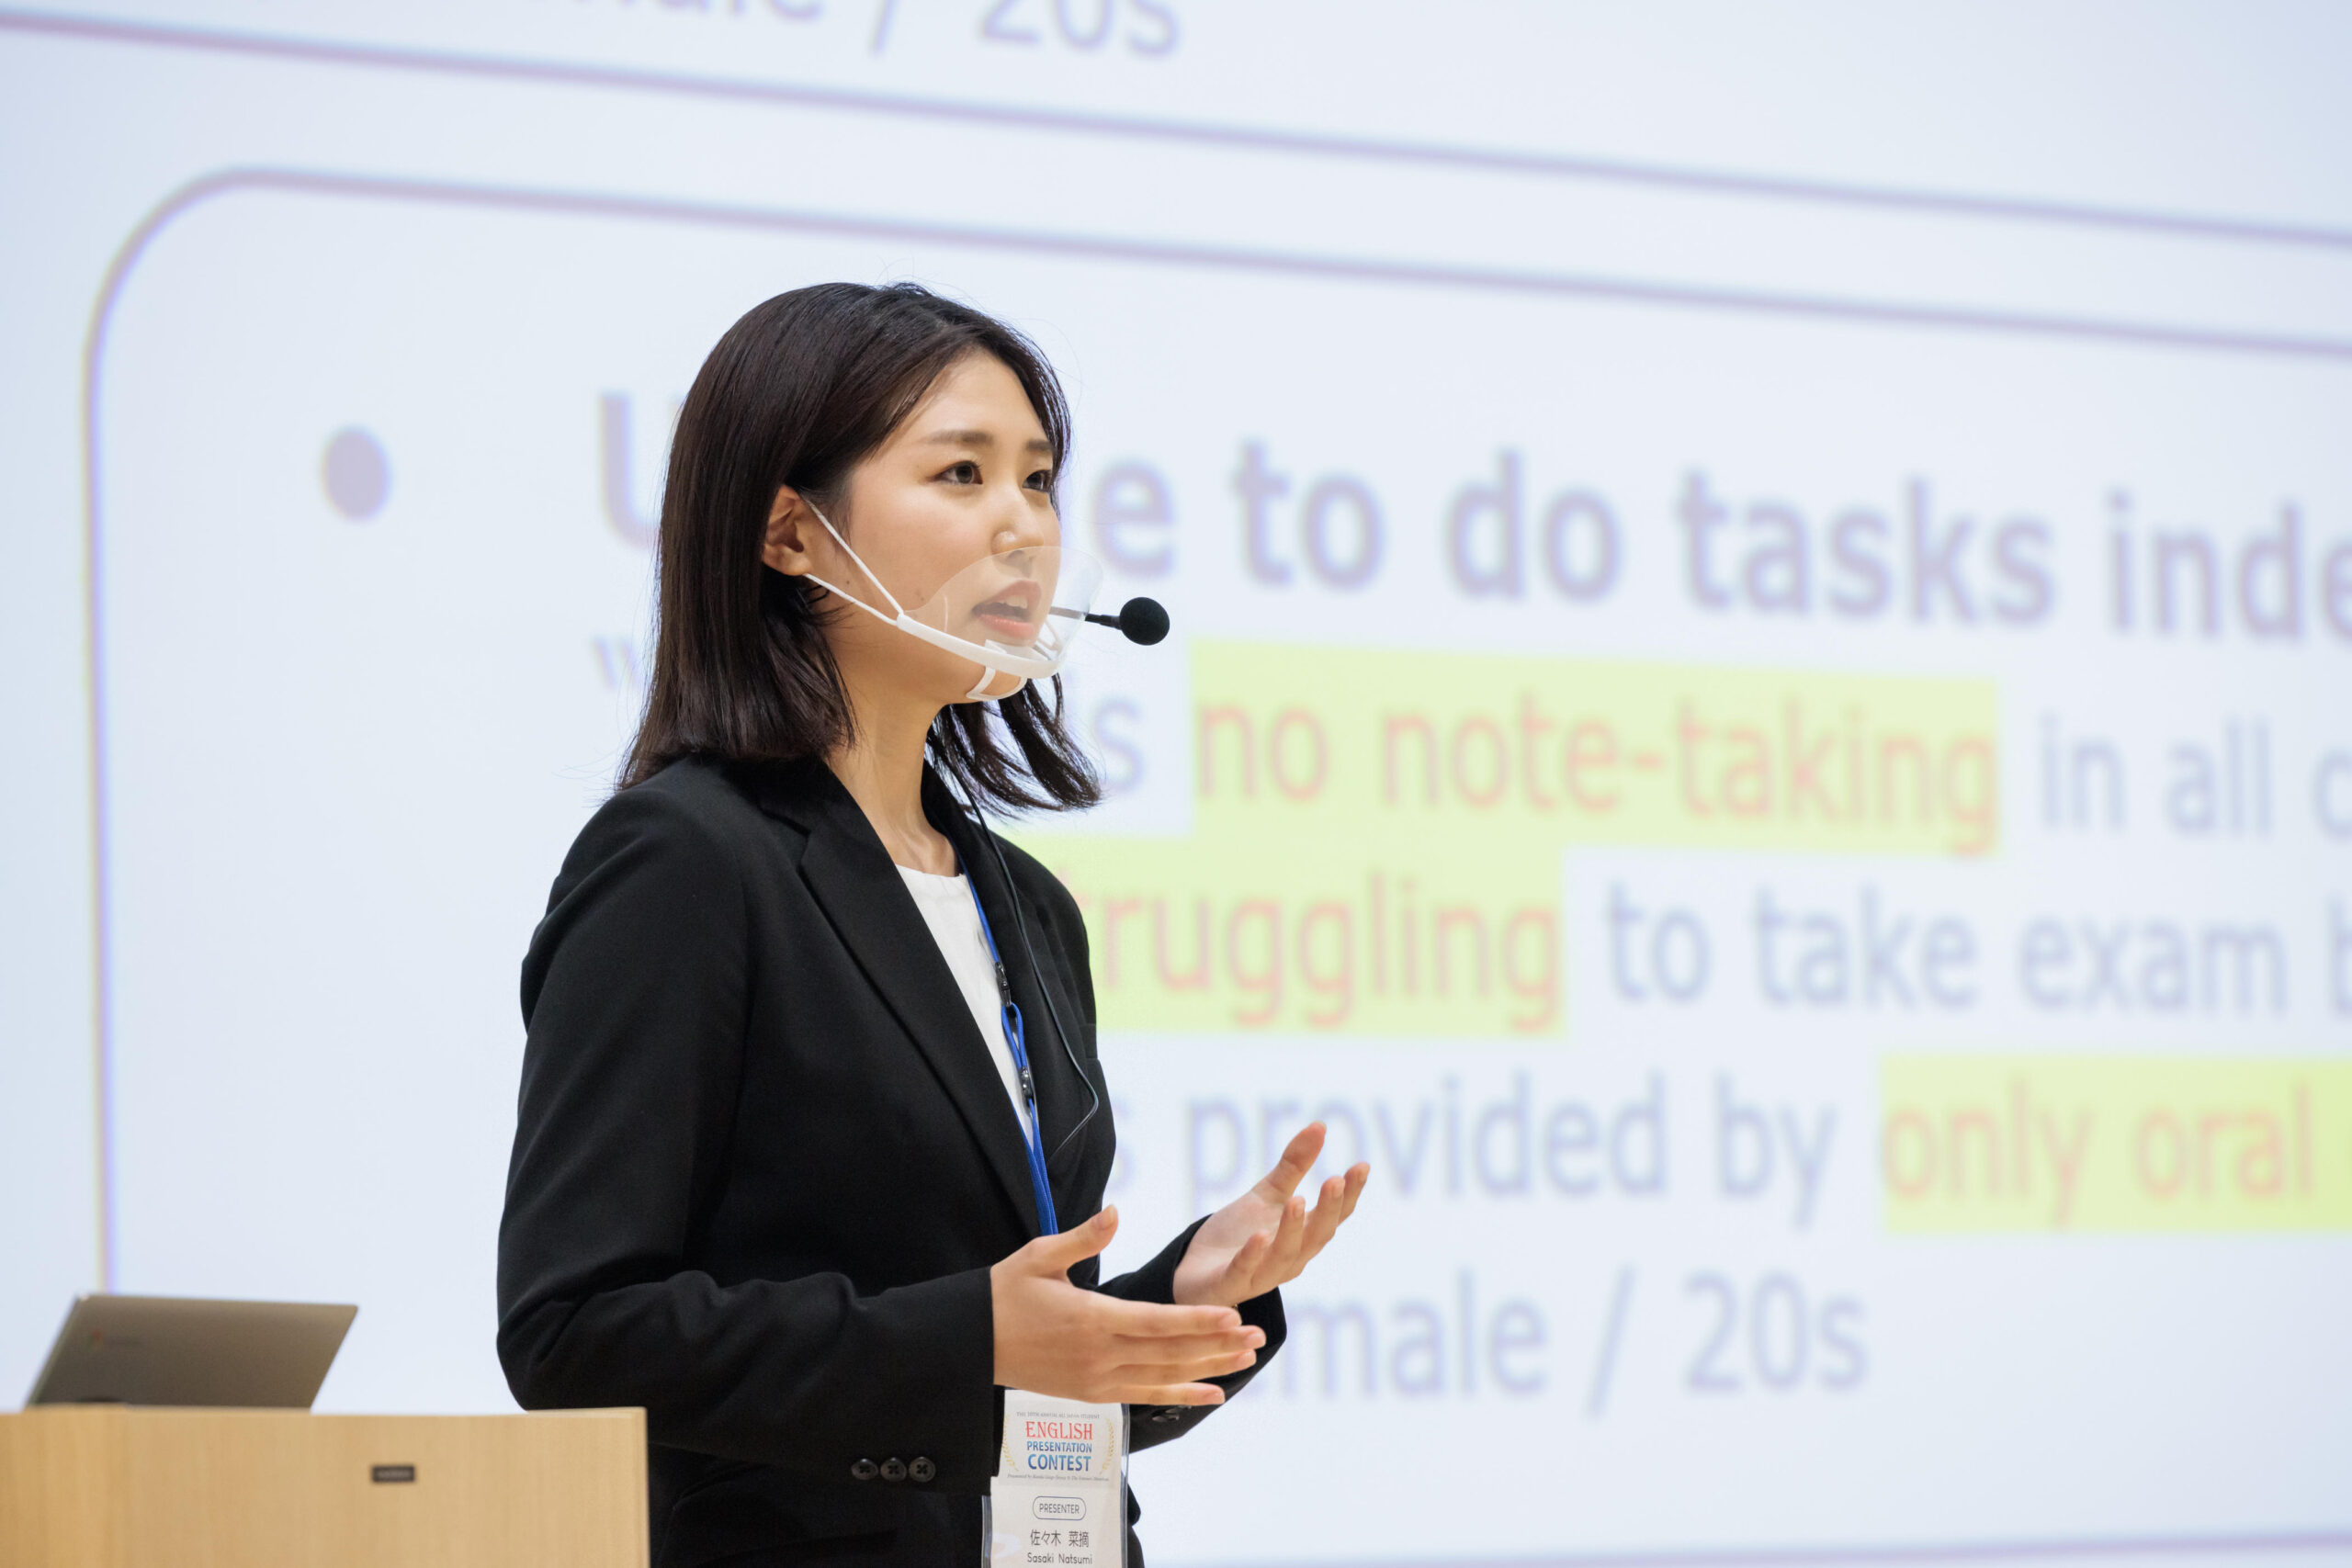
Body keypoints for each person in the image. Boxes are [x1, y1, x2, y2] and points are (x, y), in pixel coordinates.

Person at [496, 281, 1369, 1568]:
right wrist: (977, 1339)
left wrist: (1179, 1300)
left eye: (1040, 480)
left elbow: (1005, 1380)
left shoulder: (1028, 902)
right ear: (790, 533)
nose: (1023, 526)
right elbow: (572, 1332)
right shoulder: (686, 862)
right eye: (962, 473)